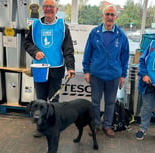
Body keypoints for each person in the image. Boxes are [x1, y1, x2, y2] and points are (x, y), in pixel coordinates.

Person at [24, 0, 75, 137]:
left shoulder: (63, 27)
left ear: (56, 10)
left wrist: (70, 67)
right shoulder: (34, 25)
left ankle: (53, 126)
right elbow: (27, 43)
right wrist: (35, 52)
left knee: (53, 102)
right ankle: (41, 127)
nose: (48, 9)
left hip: (56, 68)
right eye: (46, 7)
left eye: (51, 7)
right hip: (39, 68)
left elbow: (68, 49)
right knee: (40, 100)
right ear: (42, 9)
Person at [82, 5, 130, 138]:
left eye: (112, 15)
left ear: (116, 17)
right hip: (96, 74)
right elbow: (87, 53)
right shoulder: (94, 33)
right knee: (95, 102)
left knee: (110, 103)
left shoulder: (121, 36)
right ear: (103, 16)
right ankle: (96, 124)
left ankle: (107, 125)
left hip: (114, 75)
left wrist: (123, 75)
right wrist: (86, 70)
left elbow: (124, 57)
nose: (109, 17)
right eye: (107, 14)